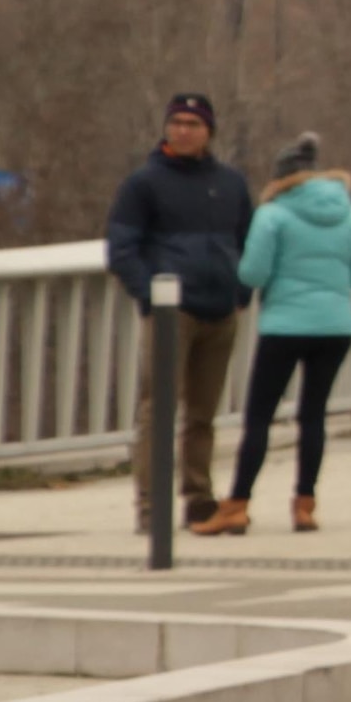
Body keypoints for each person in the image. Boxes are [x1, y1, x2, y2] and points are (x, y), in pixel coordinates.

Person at [102, 93, 253, 533]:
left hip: (220, 308)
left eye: (193, 123)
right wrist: (151, 295)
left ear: (209, 131)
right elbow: (122, 247)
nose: (183, 130)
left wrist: (241, 287)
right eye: (177, 122)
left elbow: (249, 239)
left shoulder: (230, 183)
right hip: (172, 311)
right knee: (158, 409)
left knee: (203, 414)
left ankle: (199, 498)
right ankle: (151, 507)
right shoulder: (144, 183)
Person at [212, 132, 351, 536]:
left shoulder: (273, 214)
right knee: (313, 416)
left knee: (260, 417)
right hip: (336, 325)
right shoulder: (350, 214)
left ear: (281, 177)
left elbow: (253, 273)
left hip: (284, 324)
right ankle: (304, 505)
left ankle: (237, 504)